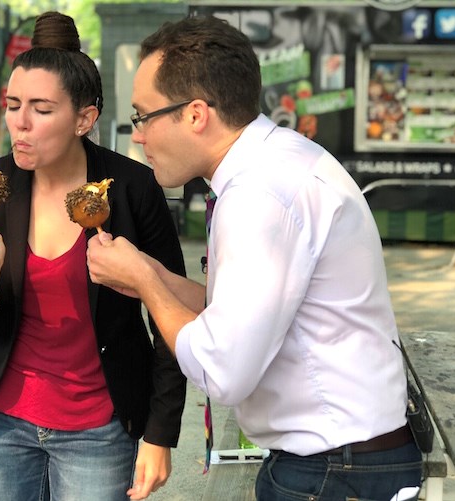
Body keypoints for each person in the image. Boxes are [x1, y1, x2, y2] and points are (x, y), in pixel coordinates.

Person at [87, 15, 423, 501]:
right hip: (344, 459)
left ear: (195, 114)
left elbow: (222, 370)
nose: (137, 135)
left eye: (143, 116)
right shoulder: (275, 162)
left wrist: (146, 283)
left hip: (332, 468)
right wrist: (152, 274)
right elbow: (244, 314)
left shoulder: (259, 196)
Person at [0, 11, 186, 501]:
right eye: (13, 104)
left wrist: (161, 432)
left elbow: (172, 318)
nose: (20, 122)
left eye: (41, 108)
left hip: (99, 431)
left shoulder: (130, 189)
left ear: (84, 118)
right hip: (1, 427)